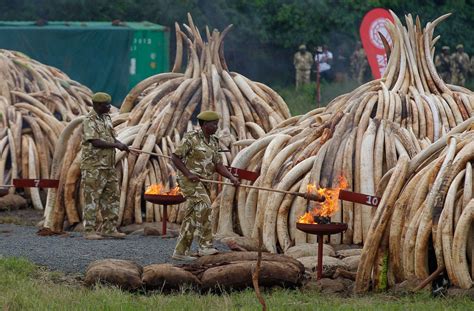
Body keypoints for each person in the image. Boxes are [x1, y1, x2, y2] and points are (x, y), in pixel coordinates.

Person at [171, 111, 240, 261]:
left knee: (191, 217)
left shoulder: (214, 142)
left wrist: (231, 177)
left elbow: (218, 165)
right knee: (205, 206)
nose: (216, 127)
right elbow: (175, 157)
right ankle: (205, 247)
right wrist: (188, 173)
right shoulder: (191, 138)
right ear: (203, 125)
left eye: (217, 124)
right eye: (213, 124)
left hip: (204, 182)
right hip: (189, 181)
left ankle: (180, 252)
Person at [81, 92, 129, 240]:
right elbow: (95, 141)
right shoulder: (89, 120)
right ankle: (89, 230)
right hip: (94, 166)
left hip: (108, 165)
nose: (109, 107)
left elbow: (110, 136)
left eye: (109, 104)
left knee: (112, 197)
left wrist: (119, 143)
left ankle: (109, 229)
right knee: (92, 198)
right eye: (105, 105)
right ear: (96, 105)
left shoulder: (107, 118)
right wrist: (116, 145)